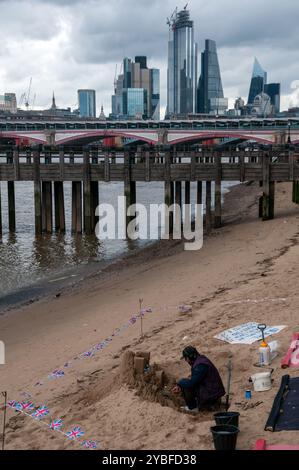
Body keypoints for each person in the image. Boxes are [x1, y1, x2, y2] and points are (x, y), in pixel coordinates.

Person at [172, 346, 225, 413]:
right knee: (185, 382)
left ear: (189, 357)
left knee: (186, 384)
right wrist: (179, 385)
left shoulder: (200, 366)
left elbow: (191, 384)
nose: (186, 360)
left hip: (212, 394)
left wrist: (180, 383)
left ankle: (193, 408)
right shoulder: (201, 360)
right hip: (212, 390)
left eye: (186, 358)